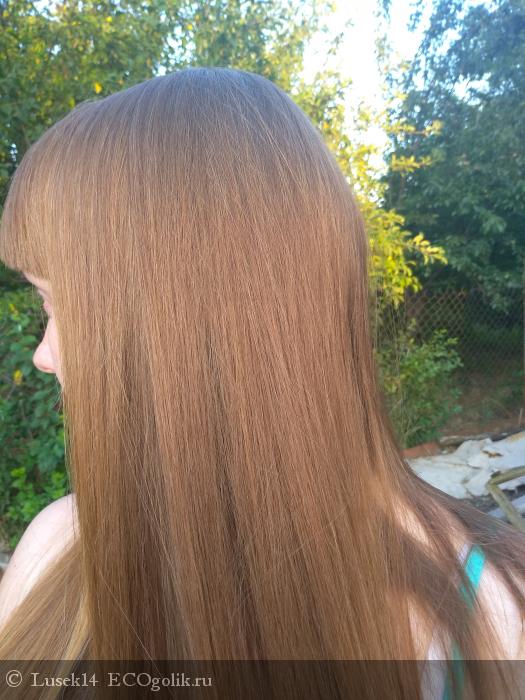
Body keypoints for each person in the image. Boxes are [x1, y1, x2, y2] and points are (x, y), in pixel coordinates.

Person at [0, 67, 524, 699]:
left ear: (177, 326)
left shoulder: (497, 624)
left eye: (56, 304)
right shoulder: (57, 549)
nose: (43, 355)